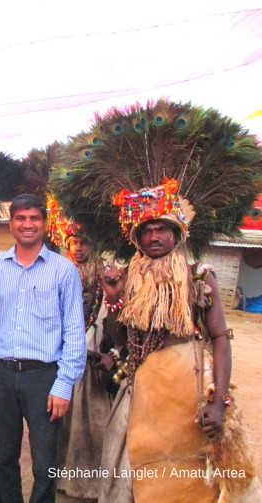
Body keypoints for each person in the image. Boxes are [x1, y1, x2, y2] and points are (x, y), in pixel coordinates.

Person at [48, 98, 261, 502]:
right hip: (138, 391)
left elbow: (219, 337)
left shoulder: (201, 279)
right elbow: (123, 340)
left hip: (186, 391)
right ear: (136, 237)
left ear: (179, 233)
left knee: (186, 479)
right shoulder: (128, 279)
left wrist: (218, 403)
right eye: (146, 230)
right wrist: (113, 301)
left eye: (163, 228)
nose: (155, 237)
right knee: (131, 478)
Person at [0, 193, 86, 503]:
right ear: (12, 223)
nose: (27, 224)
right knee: (1, 459)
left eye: (34, 218)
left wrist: (64, 385)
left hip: (44, 379)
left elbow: (74, 331)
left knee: (46, 463)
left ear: (45, 224)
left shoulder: (63, 271)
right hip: (1, 376)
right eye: (21, 218)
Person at [45, 193, 109, 501]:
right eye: (74, 242)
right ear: (66, 243)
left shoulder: (106, 275)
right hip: (60, 359)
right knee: (60, 420)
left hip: (94, 359)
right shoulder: (55, 271)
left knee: (93, 420)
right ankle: (59, 477)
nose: (79, 248)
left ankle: (91, 482)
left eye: (84, 241)